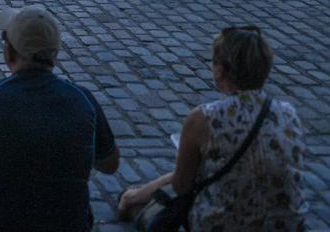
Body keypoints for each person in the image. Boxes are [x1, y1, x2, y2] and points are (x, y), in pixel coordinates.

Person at [0, 5, 119, 232]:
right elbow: (109, 163)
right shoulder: (83, 99)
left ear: (9, 51)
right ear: (54, 53)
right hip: (71, 226)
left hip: (0, 225)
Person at [117, 27, 307, 229]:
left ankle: (130, 199)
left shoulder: (204, 118)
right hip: (286, 225)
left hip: (223, 224)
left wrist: (135, 196)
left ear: (220, 71)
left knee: (153, 214)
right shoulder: (288, 113)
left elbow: (181, 185)